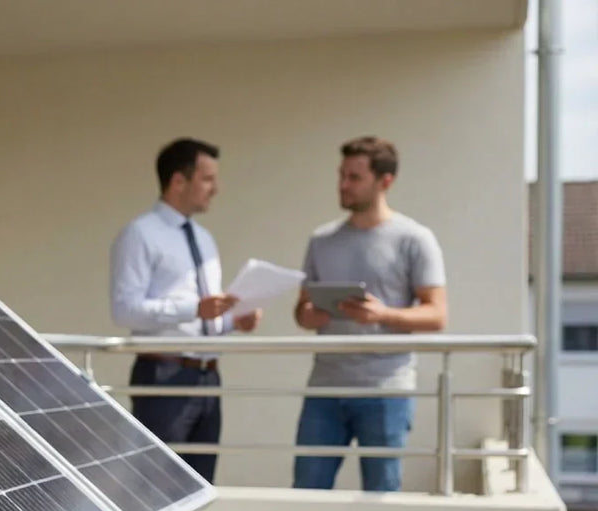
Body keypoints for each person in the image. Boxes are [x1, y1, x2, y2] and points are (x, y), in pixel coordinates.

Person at [290, 136, 448, 491]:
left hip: (386, 390)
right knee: (307, 493)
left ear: (385, 181)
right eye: (341, 175)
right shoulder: (321, 240)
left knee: (382, 498)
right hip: (325, 388)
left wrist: (382, 314)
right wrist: (314, 315)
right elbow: (302, 312)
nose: (343, 185)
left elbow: (437, 314)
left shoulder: (414, 238)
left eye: (354, 177)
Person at [109, 137, 261, 484]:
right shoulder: (140, 234)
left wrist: (234, 321)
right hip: (164, 375)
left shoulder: (204, 239)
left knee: (201, 484)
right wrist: (194, 308)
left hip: (208, 376)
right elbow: (125, 311)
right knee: (154, 485)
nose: (216, 189)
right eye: (207, 179)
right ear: (178, 181)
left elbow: (200, 320)